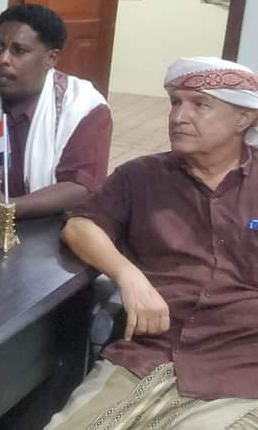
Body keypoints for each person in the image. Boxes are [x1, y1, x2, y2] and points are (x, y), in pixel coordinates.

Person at [48, 57, 258, 429]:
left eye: (200, 105)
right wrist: (128, 276)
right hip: (147, 355)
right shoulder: (141, 177)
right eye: (176, 102)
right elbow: (79, 226)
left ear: (243, 118)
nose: (179, 116)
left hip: (241, 367)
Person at [0, 4, 111, 227]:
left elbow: (81, 186)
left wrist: (8, 208)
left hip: (52, 226)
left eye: (18, 51)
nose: (3, 59)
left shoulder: (84, 106)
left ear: (51, 58)